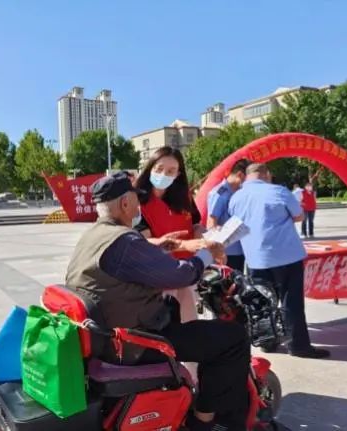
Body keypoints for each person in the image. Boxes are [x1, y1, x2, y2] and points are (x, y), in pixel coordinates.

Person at [65, 172, 252, 431]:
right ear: (125, 203)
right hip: (135, 342)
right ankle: (203, 420)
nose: (139, 207)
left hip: (106, 335)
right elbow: (182, 275)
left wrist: (161, 246)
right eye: (136, 200)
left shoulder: (95, 235)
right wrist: (207, 254)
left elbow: (126, 262)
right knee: (233, 338)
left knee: (180, 316)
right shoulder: (124, 241)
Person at [229, 163, 330, 359]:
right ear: (266, 174)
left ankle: (267, 341)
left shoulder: (236, 197)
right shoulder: (278, 191)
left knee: (262, 302)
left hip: (255, 258)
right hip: (286, 255)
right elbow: (299, 216)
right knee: (291, 301)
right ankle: (298, 345)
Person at [134, 147, 209, 324]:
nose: (163, 175)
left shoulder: (184, 197)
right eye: (159, 169)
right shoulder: (137, 201)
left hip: (187, 271)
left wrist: (202, 234)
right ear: (150, 168)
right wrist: (179, 245)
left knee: (188, 322)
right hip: (157, 276)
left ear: (178, 174)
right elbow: (142, 240)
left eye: (170, 171)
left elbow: (195, 223)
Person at [206, 159, 250, 270]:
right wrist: (218, 251)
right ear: (240, 175)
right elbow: (211, 223)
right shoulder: (219, 193)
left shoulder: (238, 192)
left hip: (239, 249)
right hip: (227, 252)